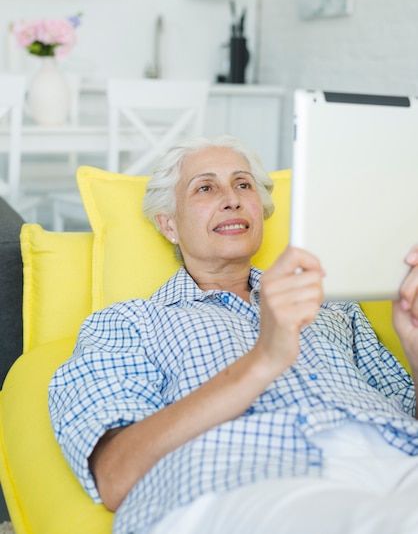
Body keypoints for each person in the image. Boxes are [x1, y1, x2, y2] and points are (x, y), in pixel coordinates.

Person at [49, 135, 418, 534]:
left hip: (395, 461)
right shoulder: (131, 322)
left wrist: (414, 345)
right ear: (168, 224)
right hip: (245, 478)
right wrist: (265, 358)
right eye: (205, 187)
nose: (232, 199)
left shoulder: (335, 306)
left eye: (243, 185)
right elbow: (115, 476)